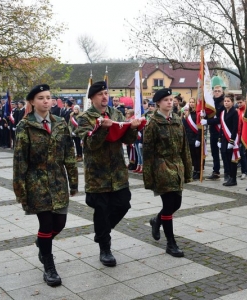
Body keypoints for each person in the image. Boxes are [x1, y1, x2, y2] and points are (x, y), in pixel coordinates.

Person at [13, 84, 78, 287]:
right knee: (47, 224)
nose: (45, 101)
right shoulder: (25, 126)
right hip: (37, 182)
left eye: (48, 97)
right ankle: (49, 267)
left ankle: (42, 243)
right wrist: (20, 189)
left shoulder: (60, 123)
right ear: (32, 102)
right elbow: (20, 160)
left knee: (60, 224)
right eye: (40, 98)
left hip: (58, 180)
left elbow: (69, 153)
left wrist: (73, 181)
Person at [76, 81, 141, 267]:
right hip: (98, 174)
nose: (105, 97)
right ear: (92, 98)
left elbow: (127, 139)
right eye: (100, 94)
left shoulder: (116, 113)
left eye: (106, 93)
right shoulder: (85, 118)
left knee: (123, 204)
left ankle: (101, 232)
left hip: (118, 172)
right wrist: (102, 129)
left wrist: (133, 127)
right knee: (102, 210)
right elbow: (90, 145)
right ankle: (105, 248)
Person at [143, 88, 192, 257]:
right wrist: (148, 177)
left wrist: (188, 170)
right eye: (166, 100)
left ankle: (157, 220)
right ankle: (171, 244)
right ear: (158, 103)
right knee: (169, 205)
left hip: (177, 165)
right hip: (161, 167)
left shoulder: (178, 120)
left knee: (175, 204)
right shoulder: (152, 123)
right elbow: (147, 152)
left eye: (171, 99)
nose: (169, 102)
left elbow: (184, 146)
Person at [201, 85, 225, 180]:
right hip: (213, 131)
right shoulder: (210, 103)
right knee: (214, 153)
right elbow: (209, 116)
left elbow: (221, 119)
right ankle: (216, 171)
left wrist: (208, 121)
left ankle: (228, 172)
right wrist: (204, 116)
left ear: (222, 92)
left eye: (219, 91)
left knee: (223, 153)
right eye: (215, 91)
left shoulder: (223, 103)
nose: (217, 92)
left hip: (222, 131)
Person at [219, 93, 240, 186]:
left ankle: (233, 179)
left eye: (228, 101)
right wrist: (219, 139)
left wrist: (232, 141)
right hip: (224, 139)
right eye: (225, 101)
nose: (226, 103)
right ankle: (229, 177)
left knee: (232, 160)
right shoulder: (223, 112)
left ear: (232, 102)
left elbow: (235, 127)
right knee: (225, 159)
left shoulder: (234, 112)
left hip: (231, 139)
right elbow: (221, 127)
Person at [183, 97, 202, 180]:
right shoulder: (188, 113)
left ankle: (198, 171)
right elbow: (185, 126)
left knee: (197, 156)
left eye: (193, 102)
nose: (191, 103)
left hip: (196, 137)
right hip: (189, 137)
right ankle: (194, 171)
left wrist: (198, 138)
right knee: (191, 156)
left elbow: (200, 127)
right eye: (190, 102)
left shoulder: (198, 113)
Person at [235, 95, 247, 180]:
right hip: (240, 135)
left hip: (246, 136)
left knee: (244, 155)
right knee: (241, 155)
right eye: (238, 103)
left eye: (241, 102)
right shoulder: (238, 111)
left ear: (244, 101)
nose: (239, 104)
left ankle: (246, 172)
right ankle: (244, 171)